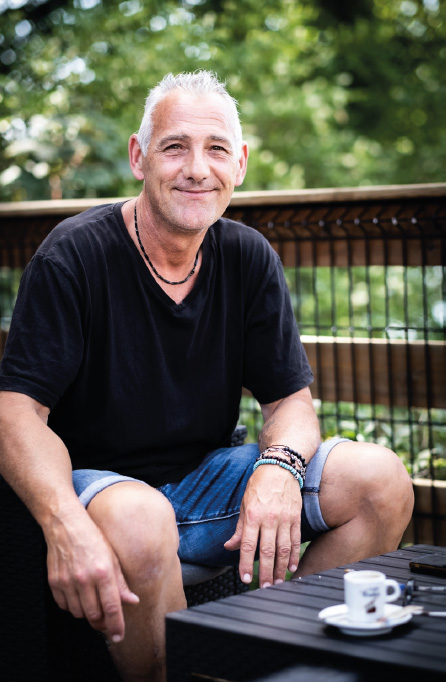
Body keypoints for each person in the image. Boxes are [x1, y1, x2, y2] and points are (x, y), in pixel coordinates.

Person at [0, 71, 414, 682]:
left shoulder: (247, 255)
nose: (197, 168)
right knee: (145, 520)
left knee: (382, 480)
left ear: (239, 164)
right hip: (100, 494)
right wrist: (62, 522)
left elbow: (291, 404)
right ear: (140, 158)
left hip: (203, 489)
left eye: (216, 148)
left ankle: (278, 663)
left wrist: (279, 467)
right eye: (175, 146)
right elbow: (15, 413)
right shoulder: (73, 254)